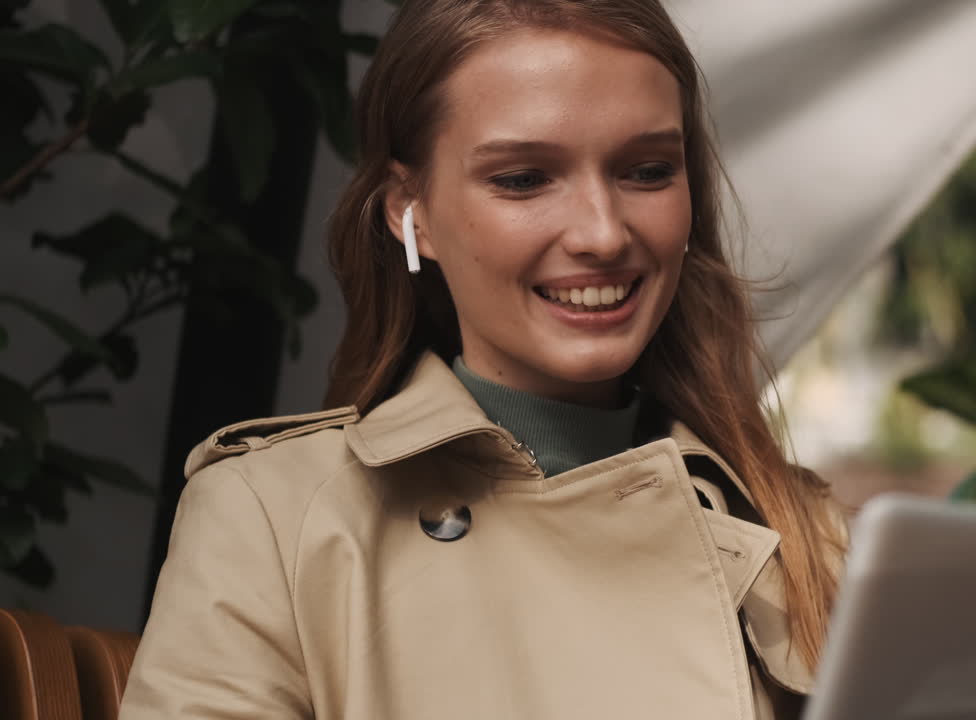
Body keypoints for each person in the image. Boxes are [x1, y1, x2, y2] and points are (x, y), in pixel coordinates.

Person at [120, 0, 848, 717]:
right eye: (524, 179)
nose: (602, 233)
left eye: (648, 170)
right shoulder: (269, 518)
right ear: (410, 211)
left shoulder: (809, 534)